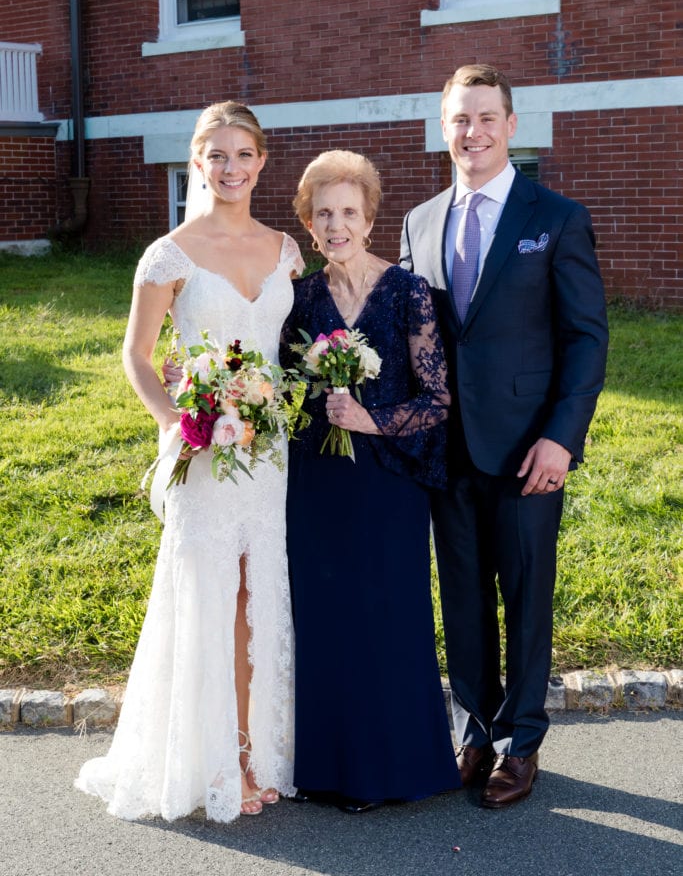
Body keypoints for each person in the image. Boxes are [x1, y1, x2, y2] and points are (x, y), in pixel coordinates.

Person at [75, 101, 304, 822]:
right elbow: (137, 356)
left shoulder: (285, 250)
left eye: (243, 155)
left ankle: (259, 753)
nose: (231, 168)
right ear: (197, 164)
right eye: (216, 155)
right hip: (204, 453)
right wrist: (177, 421)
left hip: (268, 453)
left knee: (256, 596)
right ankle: (216, 764)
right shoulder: (168, 253)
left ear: (261, 163)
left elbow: (289, 351)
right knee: (206, 597)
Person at [400, 64, 609, 809]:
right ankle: (476, 730)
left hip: (527, 449)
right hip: (444, 450)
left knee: (524, 598)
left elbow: (585, 338)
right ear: (443, 125)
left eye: (486, 118)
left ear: (511, 125)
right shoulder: (420, 222)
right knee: (460, 596)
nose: (472, 132)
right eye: (459, 119)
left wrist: (561, 438)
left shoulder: (554, 217)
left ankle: (522, 743)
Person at [281, 149, 460, 814]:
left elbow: (438, 399)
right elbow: (283, 387)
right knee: (325, 618)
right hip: (317, 480)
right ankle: (324, 769)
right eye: (323, 213)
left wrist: (369, 417)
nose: (336, 225)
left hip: (389, 482)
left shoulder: (407, 291)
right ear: (306, 220)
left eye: (348, 212)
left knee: (388, 617)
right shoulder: (298, 299)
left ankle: (394, 770)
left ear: (369, 218)